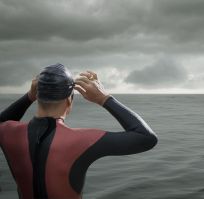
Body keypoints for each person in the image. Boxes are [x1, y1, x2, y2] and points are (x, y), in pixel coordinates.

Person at [0, 63, 158, 199]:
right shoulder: (80, 140)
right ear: (69, 100)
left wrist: (28, 96)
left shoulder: (8, 132)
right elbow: (146, 138)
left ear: (37, 97)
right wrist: (104, 98)